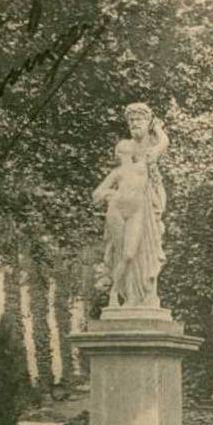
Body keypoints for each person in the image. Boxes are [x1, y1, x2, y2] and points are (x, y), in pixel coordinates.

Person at [93, 103, 168, 308]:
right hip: (119, 210)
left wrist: (159, 129)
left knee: (140, 251)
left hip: (144, 208)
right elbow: (98, 194)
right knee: (121, 253)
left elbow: (161, 146)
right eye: (131, 120)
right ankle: (122, 296)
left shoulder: (147, 154)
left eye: (139, 120)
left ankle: (144, 295)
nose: (135, 123)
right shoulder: (120, 165)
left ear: (147, 122)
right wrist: (111, 194)